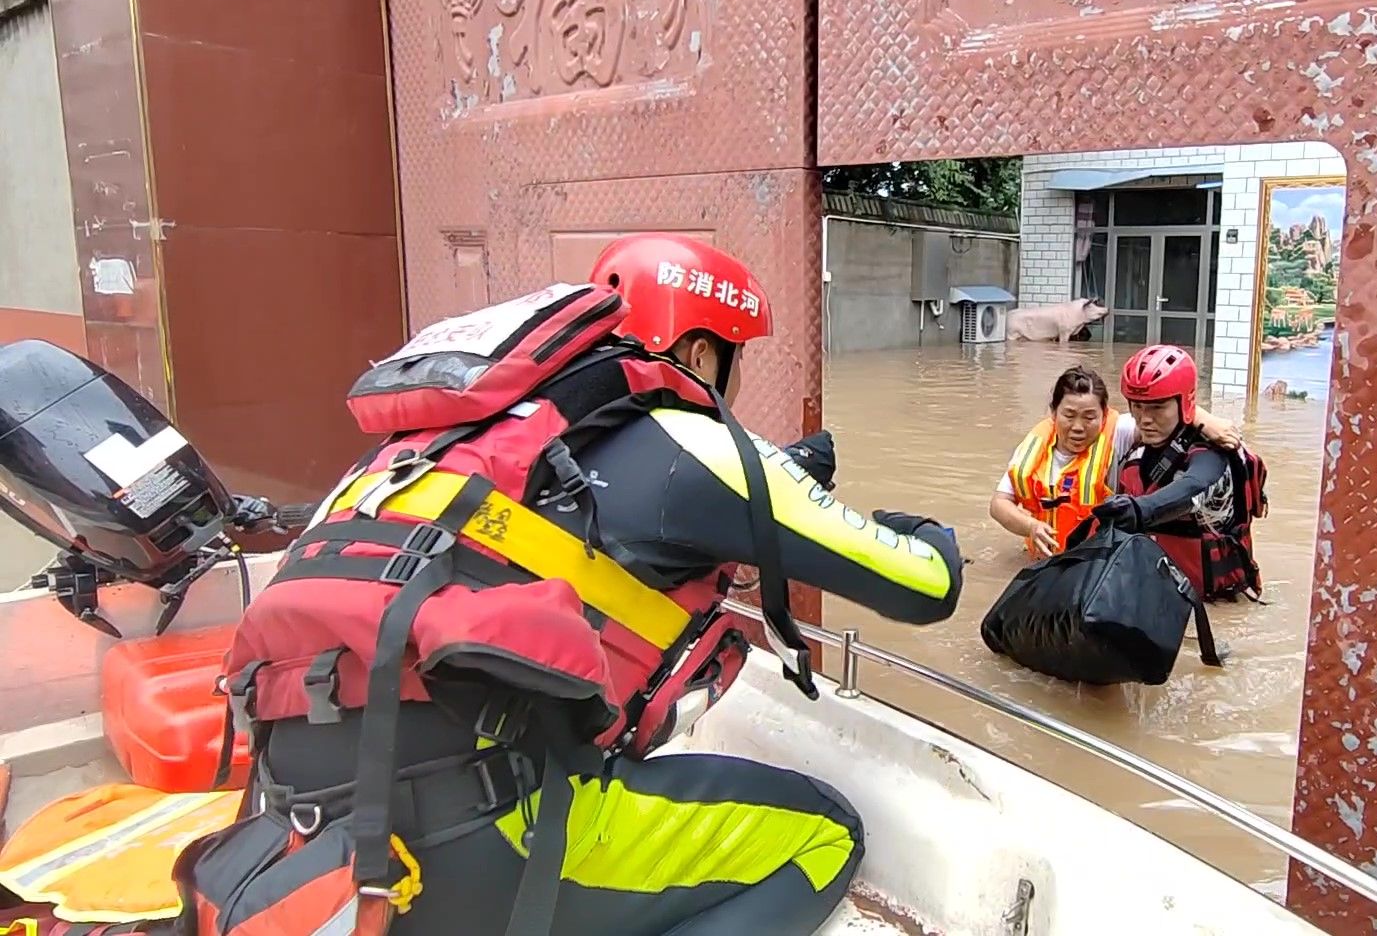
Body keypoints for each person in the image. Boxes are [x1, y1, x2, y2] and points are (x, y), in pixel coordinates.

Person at [186, 234, 963, 936]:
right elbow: (925, 588)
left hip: (309, 829)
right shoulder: (690, 437)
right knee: (825, 835)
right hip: (474, 838)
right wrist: (929, 533)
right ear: (697, 353)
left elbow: (560, 538)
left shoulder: (429, 456)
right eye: (730, 356)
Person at [991, 365, 1240, 558]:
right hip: (1040, 558)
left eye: (1090, 417)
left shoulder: (1119, 433)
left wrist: (1207, 421)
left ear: (1105, 414)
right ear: (1053, 412)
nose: (1078, 427)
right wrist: (1031, 527)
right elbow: (999, 504)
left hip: (1094, 561)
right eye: (1069, 415)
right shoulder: (1033, 448)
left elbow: (1164, 417)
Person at [1090, 345, 1267, 602]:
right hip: (1156, 598)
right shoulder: (1136, 447)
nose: (1144, 418)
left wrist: (1138, 510)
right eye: (1137, 406)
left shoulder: (1212, 456)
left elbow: (1193, 486)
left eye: (1157, 407)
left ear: (1184, 403)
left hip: (1213, 605)